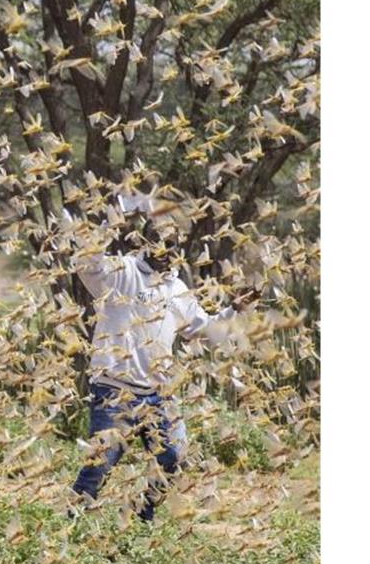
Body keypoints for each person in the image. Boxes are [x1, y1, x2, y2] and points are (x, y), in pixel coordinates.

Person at [63, 188, 255, 522]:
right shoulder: (120, 273)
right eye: (159, 244)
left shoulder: (177, 290)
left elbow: (203, 331)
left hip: (158, 395)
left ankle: (141, 518)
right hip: (114, 391)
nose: (165, 252)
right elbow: (85, 262)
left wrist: (234, 309)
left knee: (173, 459)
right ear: (145, 243)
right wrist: (113, 217)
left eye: (172, 248)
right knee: (101, 464)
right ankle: (71, 529)